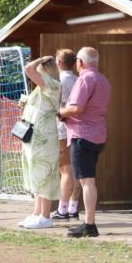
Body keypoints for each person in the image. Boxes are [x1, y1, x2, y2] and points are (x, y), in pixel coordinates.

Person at [58, 46, 111, 238]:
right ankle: (88, 222)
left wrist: (60, 112)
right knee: (88, 180)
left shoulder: (85, 79)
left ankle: (89, 224)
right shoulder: (103, 80)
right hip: (98, 135)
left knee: (87, 181)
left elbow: (76, 109)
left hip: (83, 135)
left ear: (80, 62)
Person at [18, 56, 62, 229]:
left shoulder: (52, 84)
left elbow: (28, 68)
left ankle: (45, 216)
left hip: (43, 138)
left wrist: (42, 59)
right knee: (35, 175)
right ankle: (37, 213)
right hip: (34, 137)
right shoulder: (42, 87)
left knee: (44, 175)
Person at [52, 49, 82, 221]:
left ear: (60, 63)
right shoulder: (78, 80)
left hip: (62, 127)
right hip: (77, 128)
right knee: (75, 170)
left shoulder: (59, 81)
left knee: (65, 169)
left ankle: (62, 208)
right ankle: (73, 206)